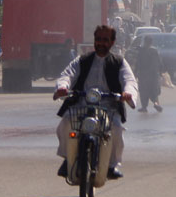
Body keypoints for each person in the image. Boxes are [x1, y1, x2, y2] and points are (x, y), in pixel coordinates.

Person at [53, 25, 138, 179]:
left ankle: (112, 165)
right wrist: (63, 87)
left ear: (112, 42)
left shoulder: (119, 62)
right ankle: (68, 158)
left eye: (105, 40)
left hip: (109, 107)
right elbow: (67, 74)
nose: (101, 43)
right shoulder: (82, 60)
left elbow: (129, 80)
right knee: (66, 122)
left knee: (116, 129)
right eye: (98, 39)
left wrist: (127, 93)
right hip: (82, 104)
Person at [131, 36, 164, 112]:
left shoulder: (141, 51)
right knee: (154, 92)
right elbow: (160, 63)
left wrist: (135, 73)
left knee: (144, 92)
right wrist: (161, 72)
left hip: (144, 75)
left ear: (145, 42)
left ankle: (144, 107)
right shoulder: (155, 51)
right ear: (151, 42)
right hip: (154, 75)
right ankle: (156, 104)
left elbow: (138, 63)